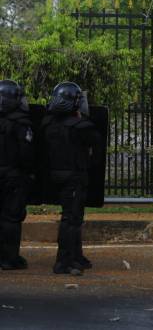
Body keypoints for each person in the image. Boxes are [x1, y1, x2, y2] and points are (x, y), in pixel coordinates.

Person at [41, 82, 102, 276]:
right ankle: (64, 262)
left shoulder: (48, 124)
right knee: (71, 219)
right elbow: (96, 148)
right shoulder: (80, 126)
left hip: (57, 175)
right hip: (74, 177)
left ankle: (76, 257)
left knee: (74, 217)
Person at [0, 80, 33, 271]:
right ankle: (9, 258)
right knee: (11, 218)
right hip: (13, 177)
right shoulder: (20, 124)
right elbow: (26, 154)